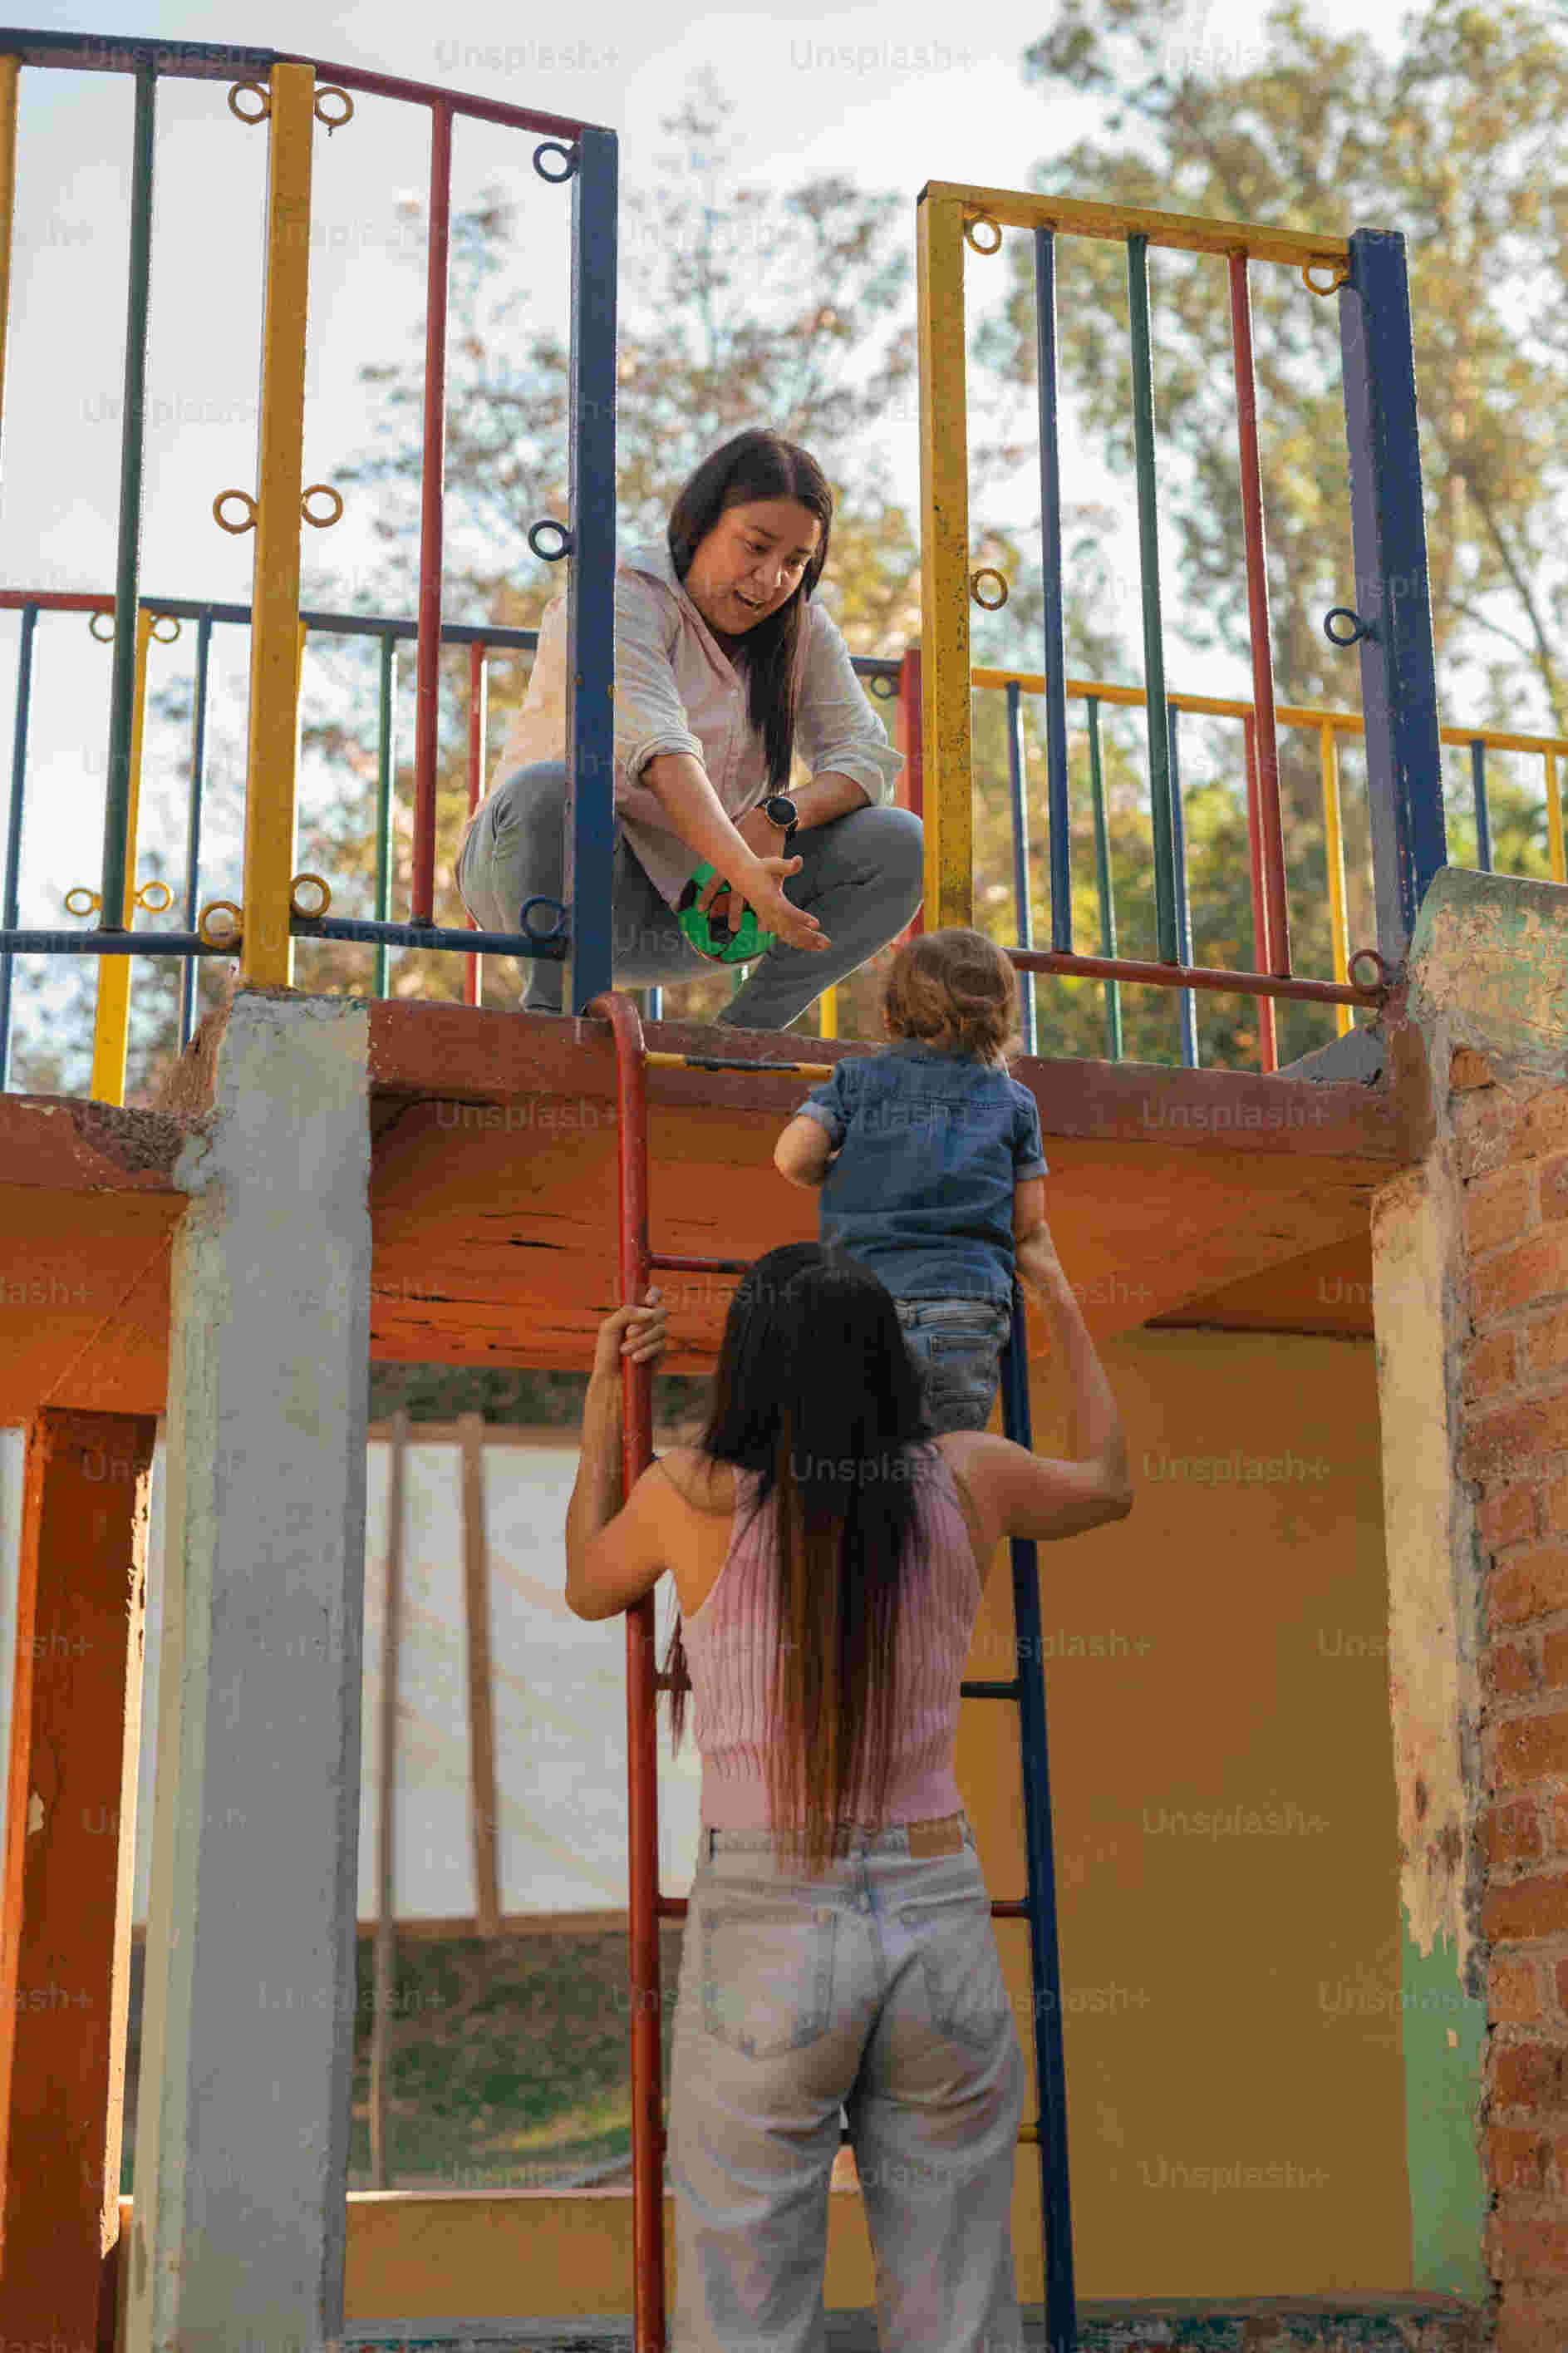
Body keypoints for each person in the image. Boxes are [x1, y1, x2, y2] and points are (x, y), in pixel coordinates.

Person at [563, 1235, 1133, 2352]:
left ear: (748, 1364)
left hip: (767, 1917)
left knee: (743, 2308)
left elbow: (588, 1579)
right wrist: (1061, 1296)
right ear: (888, 1360)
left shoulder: (689, 1492)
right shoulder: (969, 1473)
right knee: (958, 2308)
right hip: (935, 1909)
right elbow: (1109, 1483)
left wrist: (600, 1394)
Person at [457, 427, 924, 1028]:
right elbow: (662, 752)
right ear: (701, 523)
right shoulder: (621, 598)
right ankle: (554, 1020)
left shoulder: (803, 626)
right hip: (550, 883)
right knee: (552, 790)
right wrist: (741, 864)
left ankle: (744, 1037)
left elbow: (865, 758)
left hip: (700, 909)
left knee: (898, 842)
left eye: (794, 562)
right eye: (754, 547)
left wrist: (775, 818)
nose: (770, 579)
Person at [773, 927, 1048, 1436]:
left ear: (892, 1013)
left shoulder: (858, 1080)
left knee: (854, 1459)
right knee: (946, 1466)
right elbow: (1026, 1220)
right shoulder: (1014, 1102)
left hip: (858, 1303)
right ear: (1001, 1014)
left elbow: (792, 1158)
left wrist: (838, 1175)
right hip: (963, 1308)